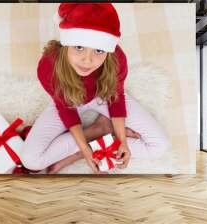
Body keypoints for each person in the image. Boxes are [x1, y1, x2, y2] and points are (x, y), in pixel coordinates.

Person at [18, 3, 170, 174]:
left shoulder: (117, 58)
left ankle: (83, 149)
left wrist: (122, 141)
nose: (87, 60)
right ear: (67, 43)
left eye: (98, 50)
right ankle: (100, 129)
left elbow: (115, 97)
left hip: (104, 96)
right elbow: (65, 109)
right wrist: (85, 148)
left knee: (159, 146)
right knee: (31, 161)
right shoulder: (48, 65)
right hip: (68, 102)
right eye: (79, 47)